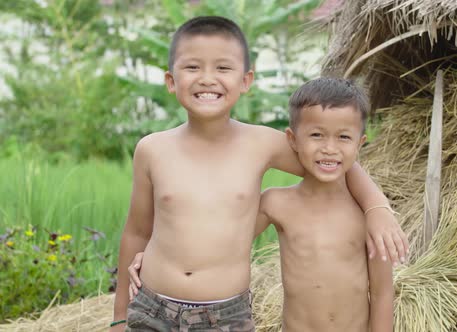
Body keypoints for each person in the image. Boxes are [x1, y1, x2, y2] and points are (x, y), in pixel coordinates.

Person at [111, 16, 407, 331]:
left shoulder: (262, 143)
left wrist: (377, 209)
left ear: (246, 81)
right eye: (193, 67)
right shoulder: (152, 149)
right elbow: (137, 232)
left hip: (224, 315)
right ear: (171, 81)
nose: (207, 79)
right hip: (153, 305)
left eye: (223, 68)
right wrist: (119, 316)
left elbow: (334, 160)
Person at [252, 77, 394, 331]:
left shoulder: (369, 217)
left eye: (343, 137)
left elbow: (383, 294)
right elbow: (229, 243)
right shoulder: (276, 203)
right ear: (293, 140)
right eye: (316, 135)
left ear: (359, 143)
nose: (330, 148)